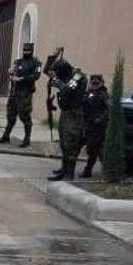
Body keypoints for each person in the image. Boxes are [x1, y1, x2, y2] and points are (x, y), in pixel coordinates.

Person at [46, 52, 87, 181]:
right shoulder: (65, 76)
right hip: (65, 113)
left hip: (75, 115)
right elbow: (47, 71)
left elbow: (67, 90)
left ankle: (70, 173)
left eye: (58, 74)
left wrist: (56, 81)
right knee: (64, 143)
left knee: (71, 144)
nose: (57, 76)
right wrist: (51, 58)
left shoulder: (78, 77)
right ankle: (64, 170)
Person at [0, 42, 43, 148]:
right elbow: (14, 71)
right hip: (15, 91)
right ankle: (6, 136)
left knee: (24, 115)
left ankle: (27, 139)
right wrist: (12, 73)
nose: (26, 52)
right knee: (10, 115)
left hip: (26, 92)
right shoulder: (18, 61)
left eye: (28, 50)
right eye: (24, 50)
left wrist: (22, 79)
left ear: (32, 51)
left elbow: (36, 76)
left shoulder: (36, 63)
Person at [81, 74, 110, 178]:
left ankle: (106, 170)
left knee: (99, 149)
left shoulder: (103, 94)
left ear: (101, 83)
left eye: (97, 83)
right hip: (89, 126)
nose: (94, 85)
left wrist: (100, 119)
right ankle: (88, 171)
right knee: (91, 149)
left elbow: (108, 109)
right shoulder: (89, 93)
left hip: (99, 127)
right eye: (93, 83)